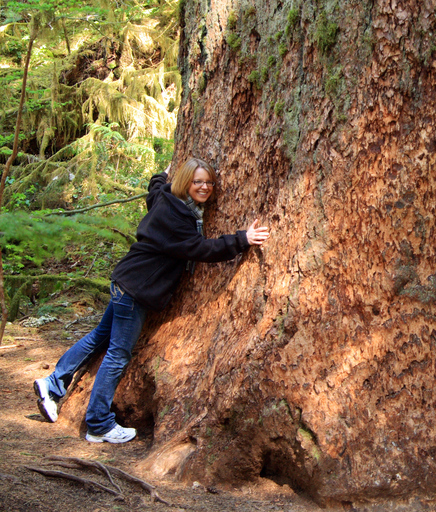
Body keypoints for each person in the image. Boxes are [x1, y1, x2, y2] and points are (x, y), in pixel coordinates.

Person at [33, 157, 270, 444]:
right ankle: (98, 423)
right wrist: (242, 238)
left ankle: (52, 384)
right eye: (197, 182)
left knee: (99, 338)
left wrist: (160, 174)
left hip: (126, 281)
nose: (205, 187)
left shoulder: (166, 199)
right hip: (135, 291)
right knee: (118, 354)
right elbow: (201, 249)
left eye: (209, 182)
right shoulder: (176, 218)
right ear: (185, 183)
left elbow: (154, 189)